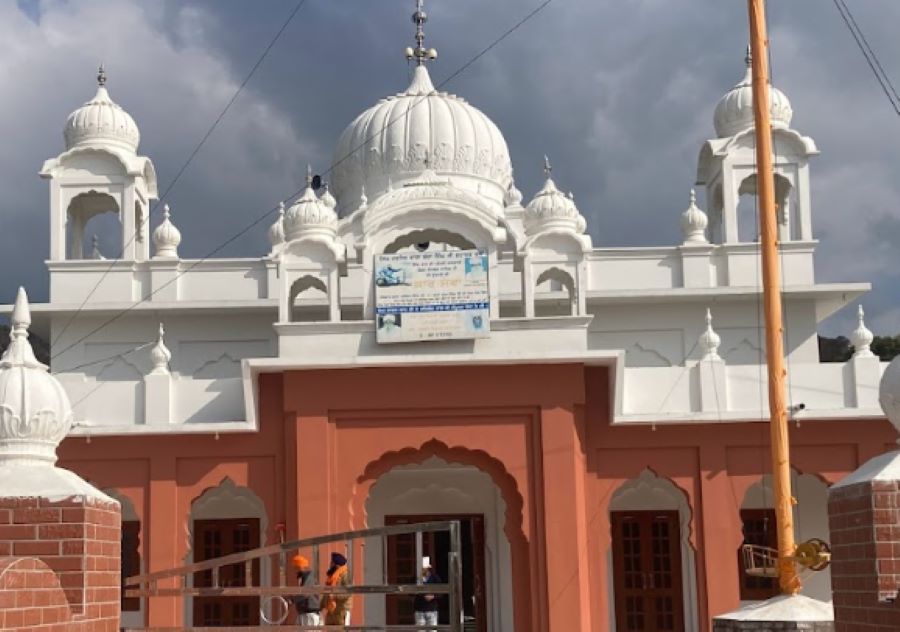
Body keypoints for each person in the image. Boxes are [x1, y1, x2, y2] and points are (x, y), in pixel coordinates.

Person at [320, 552, 351, 627]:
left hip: (341, 611)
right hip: (331, 612)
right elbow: (327, 594)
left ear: (336, 565)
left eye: (331, 563)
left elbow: (348, 593)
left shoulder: (346, 575)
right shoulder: (331, 577)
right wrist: (320, 606)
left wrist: (334, 595)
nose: (330, 565)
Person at [413, 557, 441, 632]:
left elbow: (441, 592)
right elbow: (410, 592)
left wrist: (433, 596)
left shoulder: (435, 578)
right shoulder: (416, 578)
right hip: (419, 609)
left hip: (431, 609)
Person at [292, 555, 320, 628]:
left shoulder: (309, 577)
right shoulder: (304, 578)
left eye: (295, 568)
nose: (294, 570)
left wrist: (292, 600)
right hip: (305, 613)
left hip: (309, 614)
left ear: (300, 567)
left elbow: (305, 593)